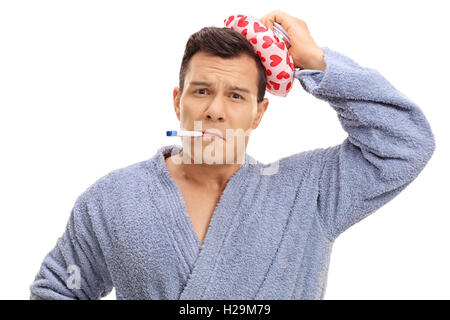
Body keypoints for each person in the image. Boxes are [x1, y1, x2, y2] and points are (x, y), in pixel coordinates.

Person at [29, 10, 435, 299]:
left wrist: (317, 64)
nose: (215, 110)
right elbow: (58, 289)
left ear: (258, 113)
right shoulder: (112, 199)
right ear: (178, 101)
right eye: (201, 91)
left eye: (236, 95)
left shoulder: (308, 192)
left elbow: (404, 143)